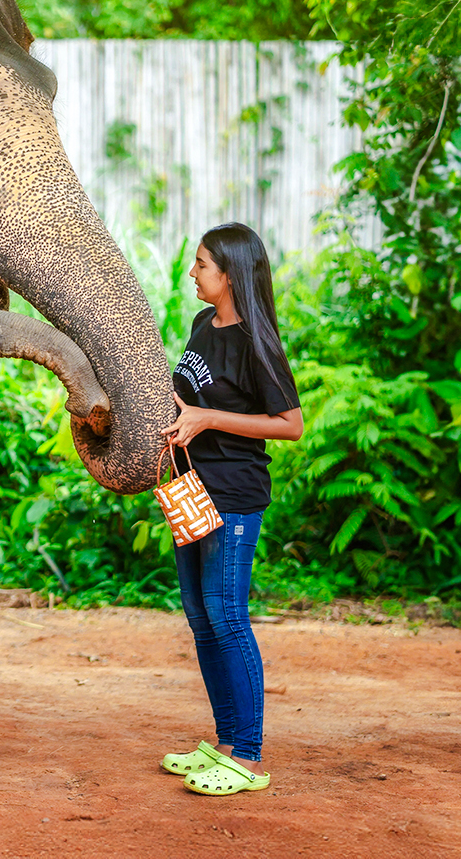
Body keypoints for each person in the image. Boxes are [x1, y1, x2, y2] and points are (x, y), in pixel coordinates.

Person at [158, 223, 303, 796]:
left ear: (230, 273)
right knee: (200, 614)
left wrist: (209, 419)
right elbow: (190, 400)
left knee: (227, 614)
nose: (192, 273)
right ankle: (224, 742)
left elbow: (290, 425)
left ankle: (248, 754)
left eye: (200, 264)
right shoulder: (202, 325)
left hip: (235, 493)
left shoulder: (256, 343)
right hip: (191, 487)